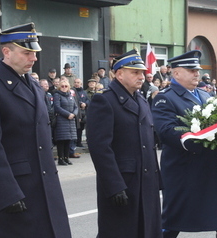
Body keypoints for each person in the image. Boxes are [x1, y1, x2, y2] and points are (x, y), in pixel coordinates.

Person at [0, 22, 71, 238]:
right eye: (27, 53)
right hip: (16, 190)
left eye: (34, 53)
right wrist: (7, 194)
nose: (33, 59)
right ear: (6, 51)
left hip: (45, 186)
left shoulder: (33, 86)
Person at [152, 50, 217, 238]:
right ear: (176, 73)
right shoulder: (165, 98)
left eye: (197, 70)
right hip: (185, 172)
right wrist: (200, 140)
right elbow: (167, 132)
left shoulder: (204, 95)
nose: (197, 74)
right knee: (172, 224)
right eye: (191, 70)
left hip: (211, 169)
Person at [86, 49, 162, 238]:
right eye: (135, 72)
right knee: (120, 231)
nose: (141, 77)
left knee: (147, 231)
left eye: (142, 73)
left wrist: (157, 179)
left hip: (146, 182)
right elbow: (100, 148)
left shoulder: (141, 100)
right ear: (119, 74)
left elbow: (148, 143)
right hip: (123, 183)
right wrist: (114, 185)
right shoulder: (104, 100)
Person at [53, 80, 77, 165]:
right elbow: (57, 107)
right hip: (61, 120)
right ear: (59, 87)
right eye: (62, 86)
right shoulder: (57, 95)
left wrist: (74, 114)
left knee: (68, 140)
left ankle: (66, 158)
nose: (64, 88)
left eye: (65, 86)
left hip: (71, 120)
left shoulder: (71, 96)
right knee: (61, 141)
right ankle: (61, 159)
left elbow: (76, 107)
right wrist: (67, 114)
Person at [71, 78, 90, 147]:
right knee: (76, 128)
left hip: (84, 112)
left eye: (78, 82)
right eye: (75, 82)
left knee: (81, 128)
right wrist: (80, 103)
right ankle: (75, 142)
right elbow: (74, 100)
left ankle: (79, 141)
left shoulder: (84, 92)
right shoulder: (72, 91)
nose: (76, 84)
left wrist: (85, 104)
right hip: (77, 112)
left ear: (81, 84)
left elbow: (88, 99)